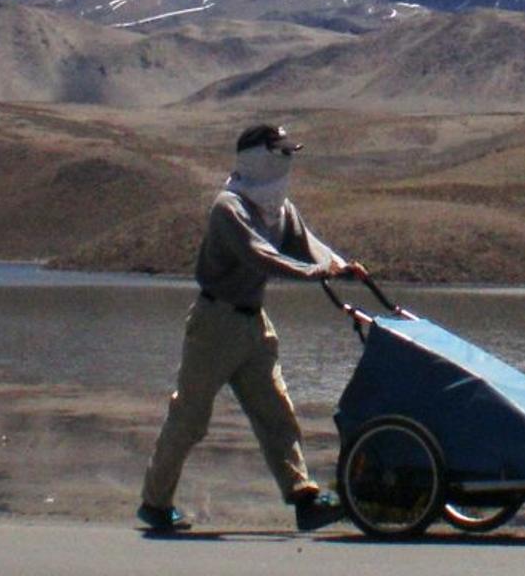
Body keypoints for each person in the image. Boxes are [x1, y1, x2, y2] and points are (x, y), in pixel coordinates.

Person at [137, 123, 366, 533]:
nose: (287, 161)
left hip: (253, 321)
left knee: (276, 410)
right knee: (189, 418)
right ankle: (154, 503)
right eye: (280, 154)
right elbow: (260, 257)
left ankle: (303, 497)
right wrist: (316, 272)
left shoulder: (278, 208)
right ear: (257, 157)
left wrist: (340, 266)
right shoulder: (229, 208)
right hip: (215, 324)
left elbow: (306, 243)